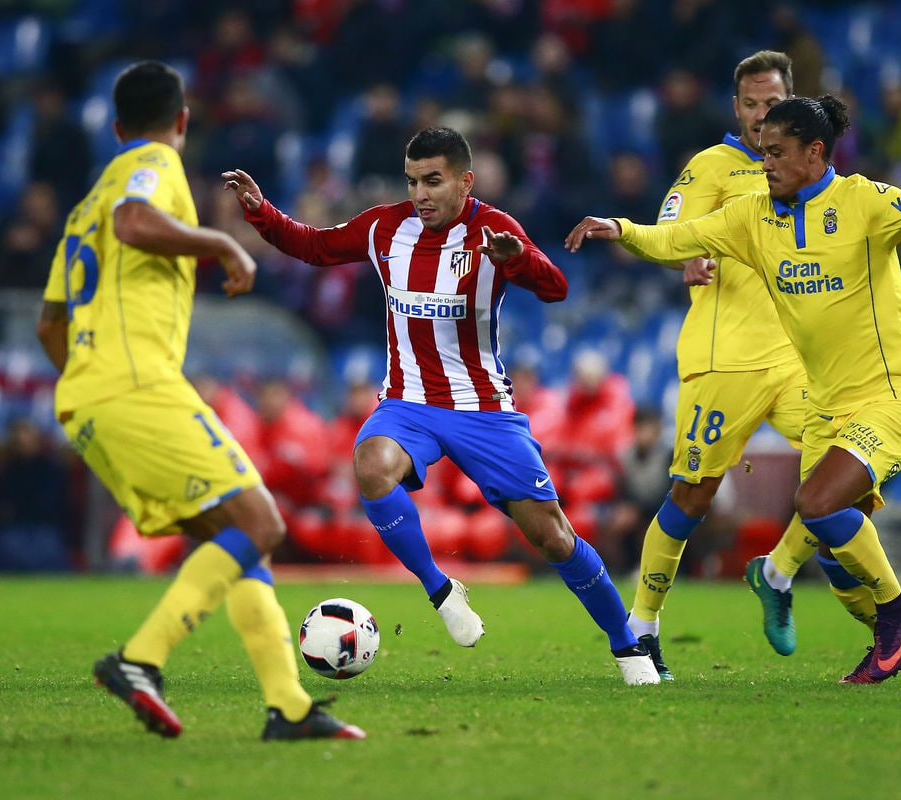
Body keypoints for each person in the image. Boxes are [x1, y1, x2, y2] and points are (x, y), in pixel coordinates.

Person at [566, 95, 901, 683]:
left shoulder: (863, 200)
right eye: (762, 154)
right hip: (826, 406)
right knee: (837, 545)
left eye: (778, 153)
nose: (766, 165)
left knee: (816, 504)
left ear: (815, 153)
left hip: (890, 397)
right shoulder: (753, 215)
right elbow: (680, 238)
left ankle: (896, 614)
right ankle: (847, 614)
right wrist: (622, 229)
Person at [223, 126, 659, 685]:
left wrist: (517, 259)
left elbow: (555, 289)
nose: (421, 194)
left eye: (433, 181)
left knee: (552, 536)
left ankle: (628, 648)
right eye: (412, 182)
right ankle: (440, 589)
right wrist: (262, 212)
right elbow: (313, 246)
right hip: (408, 403)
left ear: (464, 180)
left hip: (483, 410)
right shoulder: (385, 226)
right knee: (371, 465)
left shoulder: (494, 229)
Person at [36, 61, 363, 740]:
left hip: (90, 398)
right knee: (262, 522)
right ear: (182, 121)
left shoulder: (79, 208)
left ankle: (289, 706)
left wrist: (91, 389)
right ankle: (139, 660)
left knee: (237, 537)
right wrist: (219, 242)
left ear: (116, 125)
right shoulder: (150, 165)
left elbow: (49, 325)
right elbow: (134, 223)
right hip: (137, 386)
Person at [622, 51, 869, 681]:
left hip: (796, 362)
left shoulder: (808, 174)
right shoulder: (713, 166)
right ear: (737, 109)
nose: (762, 117)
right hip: (722, 359)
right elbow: (669, 228)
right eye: (752, 105)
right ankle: (642, 629)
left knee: (848, 482)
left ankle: (821, 587)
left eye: (772, 104)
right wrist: (686, 260)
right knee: (693, 496)